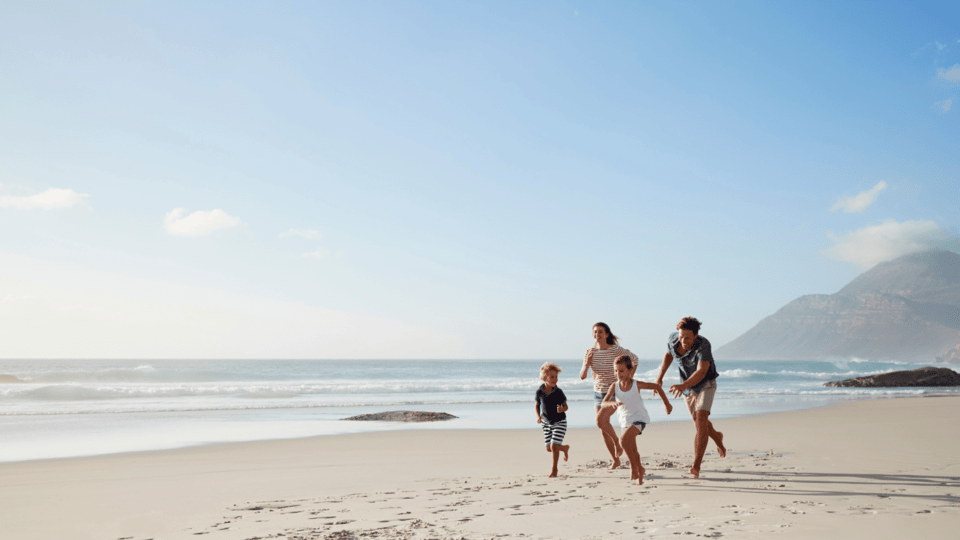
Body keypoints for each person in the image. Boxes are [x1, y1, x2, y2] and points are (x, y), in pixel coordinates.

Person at [654, 317, 727, 478]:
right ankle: (717, 437)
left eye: (687, 337)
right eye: (681, 336)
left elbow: (701, 371)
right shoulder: (673, 340)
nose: (683, 340)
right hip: (688, 387)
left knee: (701, 420)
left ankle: (696, 466)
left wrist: (683, 386)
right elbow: (668, 355)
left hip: (706, 384)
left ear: (695, 335)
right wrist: (659, 377)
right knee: (699, 424)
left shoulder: (703, 345)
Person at [601, 355, 673, 485]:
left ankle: (633, 468)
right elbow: (603, 402)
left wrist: (667, 404)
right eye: (616, 371)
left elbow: (656, 387)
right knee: (632, 449)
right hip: (625, 421)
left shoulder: (636, 384)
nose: (618, 374)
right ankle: (640, 470)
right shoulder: (614, 386)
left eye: (621, 371)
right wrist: (610, 404)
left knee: (623, 441)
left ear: (630, 371)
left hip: (639, 419)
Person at [579, 322, 638, 469]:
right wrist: (586, 363)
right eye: (595, 332)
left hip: (613, 392)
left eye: (600, 332)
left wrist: (628, 379)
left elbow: (635, 359)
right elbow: (582, 376)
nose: (597, 334)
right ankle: (616, 459)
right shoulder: (589, 352)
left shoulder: (615, 350)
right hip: (597, 393)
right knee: (603, 428)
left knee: (600, 421)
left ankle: (618, 444)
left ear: (606, 334)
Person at [535, 362, 570, 478]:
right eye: (552, 377)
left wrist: (561, 409)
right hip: (546, 422)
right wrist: (537, 416)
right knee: (548, 448)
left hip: (559, 422)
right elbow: (537, 405)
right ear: (544, 378)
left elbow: (566, 407)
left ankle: (554, 471)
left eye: (556, 377)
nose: (556, 379)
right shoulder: (539, 392)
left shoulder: (558, 392)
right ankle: (564, 448)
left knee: (554, 446)